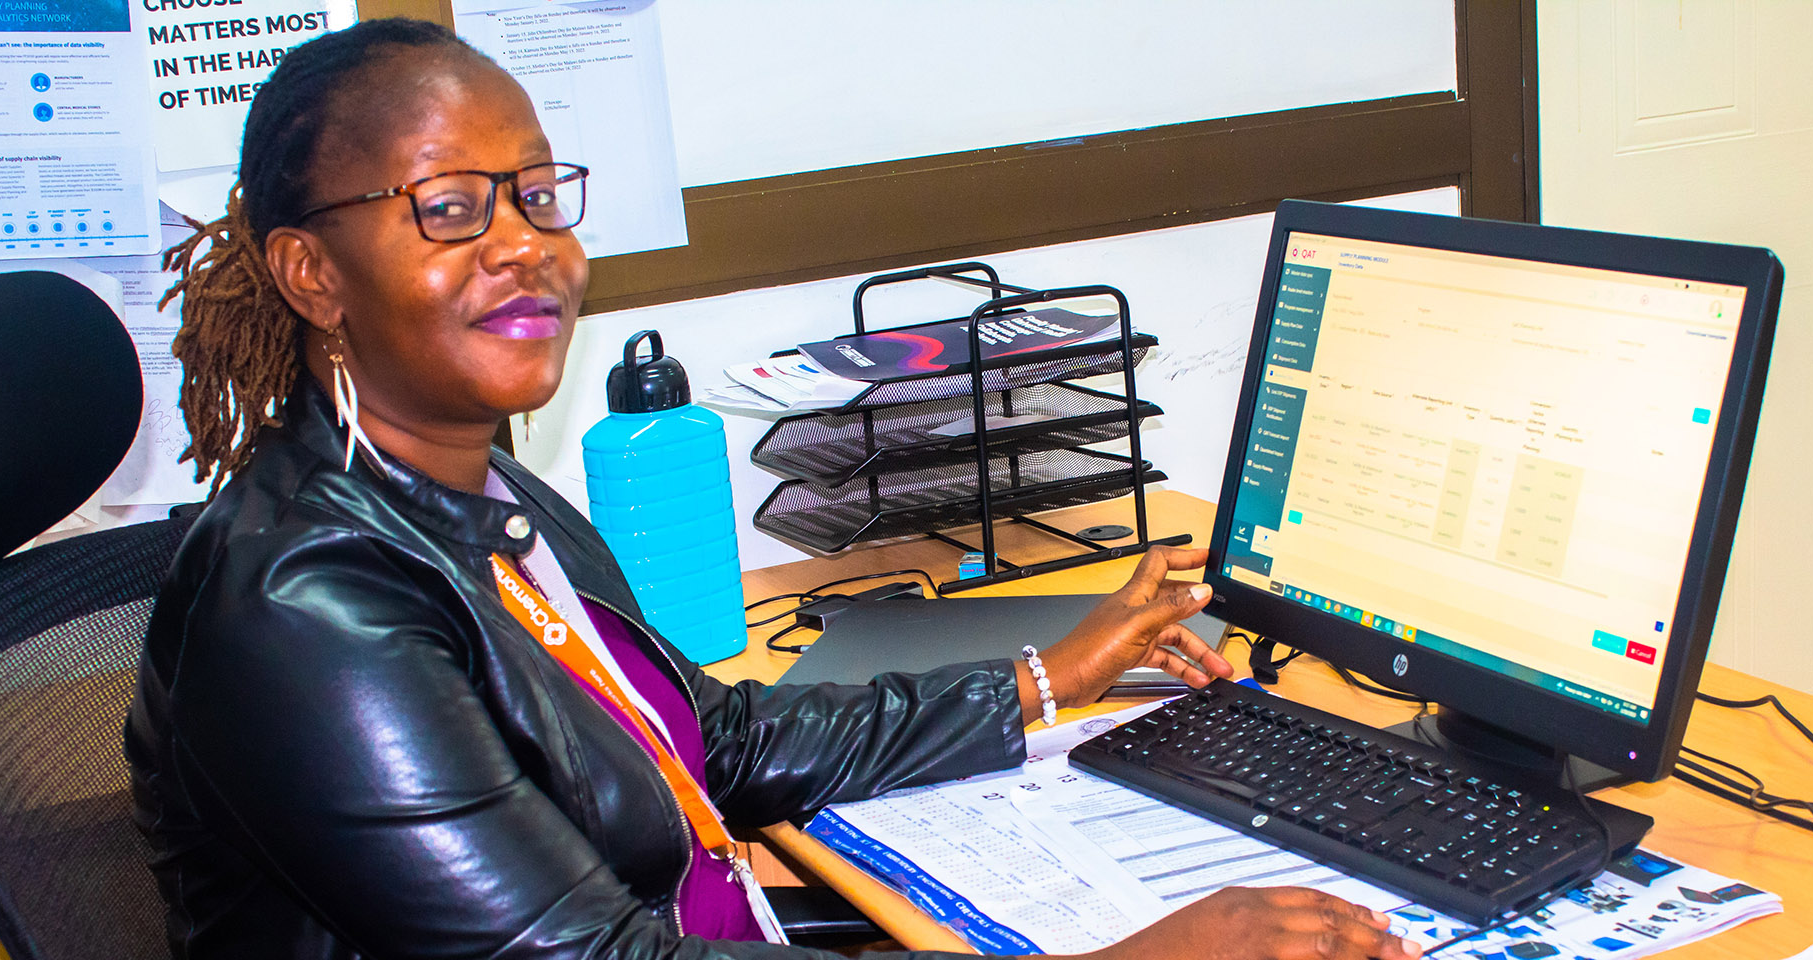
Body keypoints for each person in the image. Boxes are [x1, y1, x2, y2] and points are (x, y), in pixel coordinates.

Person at [124, 18, 1419, 960]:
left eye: (534, 192)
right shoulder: (303, 611)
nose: (524, 243)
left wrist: (1046, 680)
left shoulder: (491, 505)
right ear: (310, 274)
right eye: (451, 206)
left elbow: (718, 746)